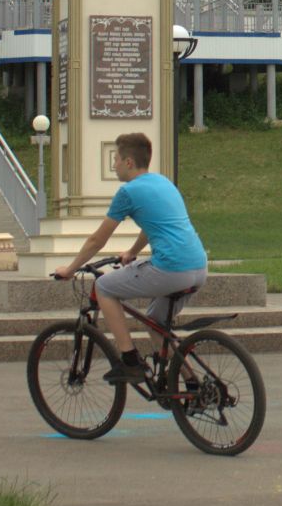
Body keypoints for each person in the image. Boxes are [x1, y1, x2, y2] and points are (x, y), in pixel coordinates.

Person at [54, 132, 208, 384]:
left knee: (103, 286)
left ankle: (130, 360)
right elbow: (153, 225)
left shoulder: (128, 192)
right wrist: (133, 252)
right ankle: (193, 382)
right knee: (156, 323)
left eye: (115, 159)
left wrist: (71, 269)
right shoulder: (163, 182)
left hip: (170, 269)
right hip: (198, 267)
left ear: (128, 162)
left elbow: (97, 240)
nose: (113, 165)